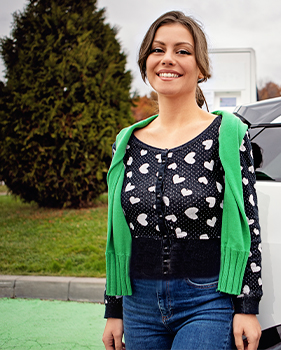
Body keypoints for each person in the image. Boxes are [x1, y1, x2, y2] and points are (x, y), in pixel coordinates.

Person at [102, 10, 262, 350]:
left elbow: (249, 223)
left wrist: (247, 306)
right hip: (138, 302)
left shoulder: (227, 134)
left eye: (182, 51)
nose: (167, 59)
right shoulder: (126, 142)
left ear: (201, 68)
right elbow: (117, 234)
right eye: (157, 50)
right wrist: (113, 308)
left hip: (206, 299)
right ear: (146, 63)